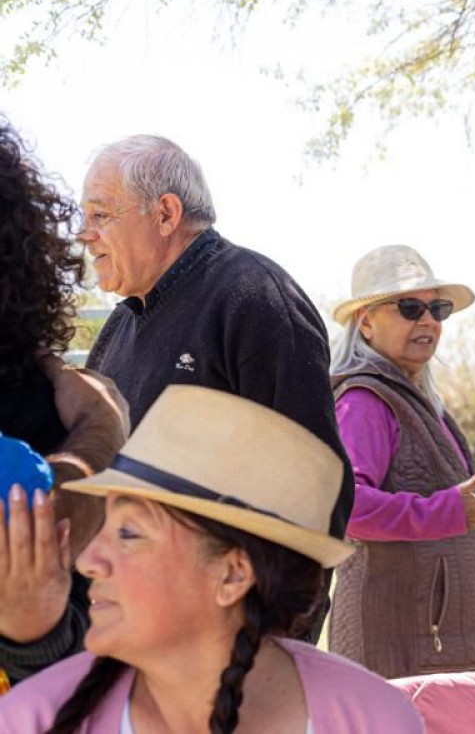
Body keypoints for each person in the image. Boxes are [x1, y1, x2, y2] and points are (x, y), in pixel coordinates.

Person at [0, 385, 423, 732]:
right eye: (104, 526)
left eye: (129, 532)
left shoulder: (373, 721)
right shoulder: (30, 717)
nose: (88, 559)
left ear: (233, 574)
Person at [78, 134, 354, 541]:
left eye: (100, 215)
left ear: (166, 214)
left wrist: (271, 607)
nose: (84, 234)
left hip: (224, 601)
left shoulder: (256, 299)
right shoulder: (119, 327)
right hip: (127, 596)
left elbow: (315, 491)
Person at [327, 244, 475, 678]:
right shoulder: (364, 401)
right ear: (366, 323)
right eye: (409, 307)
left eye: (438, 309)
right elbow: (348, 508)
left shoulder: (418, 401)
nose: (427, 320)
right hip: (406, 657)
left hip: (435, 651)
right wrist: (450, 511)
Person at [0, 119, 129, 688]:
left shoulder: (41, 407)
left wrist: (36, 633)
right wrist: (99, 438)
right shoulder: (72, 412)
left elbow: (98, 649)